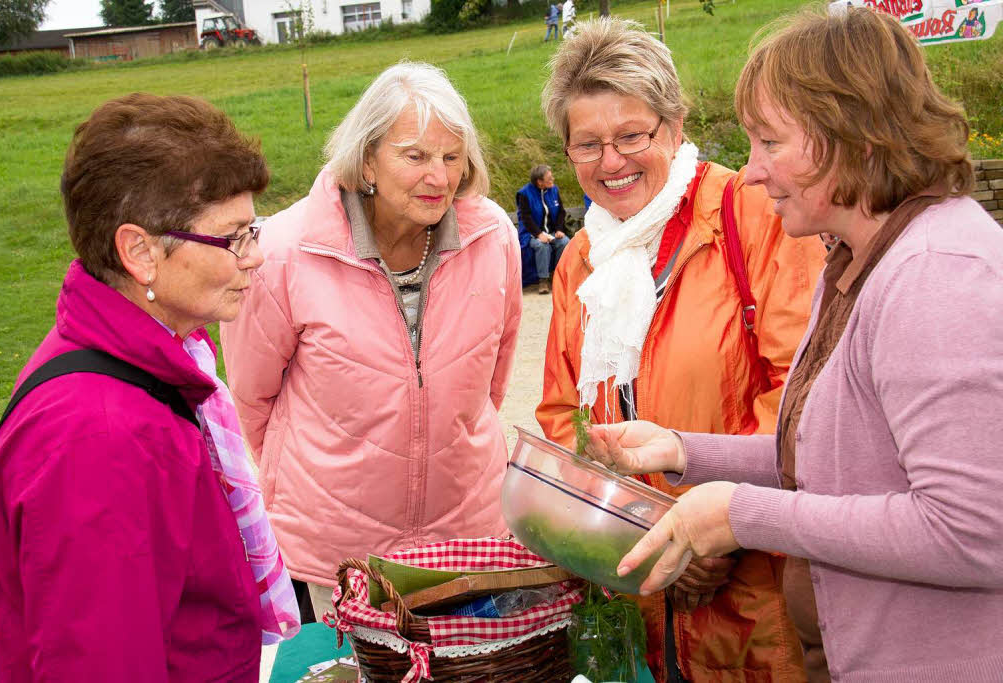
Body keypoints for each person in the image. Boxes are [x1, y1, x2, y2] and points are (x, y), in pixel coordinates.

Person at [583, 7, 1003, 681]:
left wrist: (741, 514)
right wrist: (683, 449)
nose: (749, 172)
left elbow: (972, 533)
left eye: (770, 143)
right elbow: (834, 458)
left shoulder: (935, 275)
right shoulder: (858, 264)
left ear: (853, 138)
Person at [537, 18, 827, 681]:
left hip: (758, 593)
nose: (611, 163)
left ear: (674, 125)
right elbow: (563, 419)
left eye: (632, 136)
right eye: (588, 143)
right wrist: (643, 534)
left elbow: (801, 390)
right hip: (640, 593)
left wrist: (715, 526)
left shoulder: (751, 213)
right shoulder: (580, 262)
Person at [0, 93, 300, 681]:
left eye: (252, 230)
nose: (254, 257)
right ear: (139, 252)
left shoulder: (160, 364)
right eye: (233, 238)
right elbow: (100, 663)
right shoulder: (96, 436)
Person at [220, 62, 522, 620]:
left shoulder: (493, 235)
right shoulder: (285, 252)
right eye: (415, 156)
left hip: (465, 539)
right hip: (336, 557)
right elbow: (250, 400)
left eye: (451, 157)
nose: (439, 177)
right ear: (366, 162)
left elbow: (493, 378)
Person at [516, 164, 571, 293]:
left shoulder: (554, 190)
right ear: (540, 182)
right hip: (531, 233)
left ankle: (559, 276)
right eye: (549, 178)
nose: (553, 180)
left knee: (565, 242)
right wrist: (539, 234)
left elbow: (561, 212)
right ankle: (543, 281)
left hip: (552, 231)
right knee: (542, 245)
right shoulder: (524, 194)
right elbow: (526, 218)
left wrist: (559, 230)